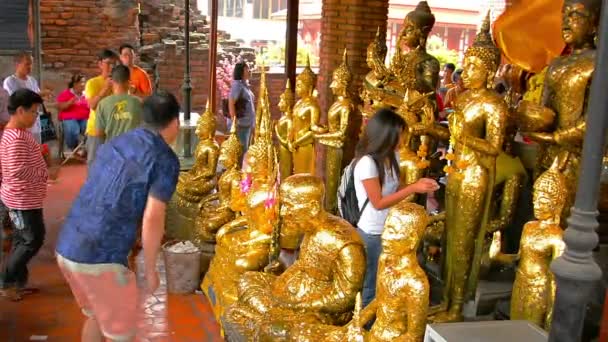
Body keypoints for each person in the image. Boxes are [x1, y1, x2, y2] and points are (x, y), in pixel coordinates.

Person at [55, 91, 181, 342]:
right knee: (121, 336)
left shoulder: (117, 142)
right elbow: (153, 218)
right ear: (175, 122)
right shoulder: (164, 158)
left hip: (68, 248)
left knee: (96, 317)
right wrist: (152, 269)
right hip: (101, 258)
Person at [354, 108, 439, 308]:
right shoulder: (367, 163)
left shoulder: (393, 156)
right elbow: (378, 202)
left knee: (386, 281)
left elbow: (395, 187)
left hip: (390, 229)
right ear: (385, 135)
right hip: (372, 232)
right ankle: (365, 329)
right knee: (371, 286)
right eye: (399, 136)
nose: (403, 141)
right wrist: (413, 187)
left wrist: (421, 184)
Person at [0, 89, 48, 301]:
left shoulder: (18, 133)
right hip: (21, 201)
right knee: (32, 240)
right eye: (34, 112)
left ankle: (18, 281)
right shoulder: (15, 137)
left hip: (26, 198)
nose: (36, 116)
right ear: (20, 111)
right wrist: (43, 172)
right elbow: (15, 170)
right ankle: (7, 282)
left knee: (23, 240)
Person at [3, 51, 50, 144]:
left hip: (35, 123)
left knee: (36, 150)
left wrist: (44, 98)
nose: (30, 67)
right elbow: (15, 101)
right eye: (27, 64)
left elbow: (36, 100)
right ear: (17, 64)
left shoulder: (32, 80)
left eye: (31, 64)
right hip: (20, 124)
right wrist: (39, 94)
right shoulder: (10, 81)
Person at [84, 49, 119, 165]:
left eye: (114, 64)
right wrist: (105, 89)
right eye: (108, 63)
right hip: (96, 130)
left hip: (115, 130)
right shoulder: (92, 83)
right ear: (100, 64)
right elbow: (92, 105)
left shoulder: (119, 84)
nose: (112, 67)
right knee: (94, 164)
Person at [95, 65, 143, 145]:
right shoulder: (138, 102)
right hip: (133, 151)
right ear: (129, 81)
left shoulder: (103, 104)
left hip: (112, 151)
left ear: (112, 81)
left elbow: (99, 133)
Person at [56, 74, 89, 154]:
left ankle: (86, 148)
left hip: (84, 118)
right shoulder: (66, 94)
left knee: (91, 129)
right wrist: (69, 103)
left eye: (84, 82)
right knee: (72, 129)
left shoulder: (87, 94)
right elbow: (59, 106)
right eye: (81, 82)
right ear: (75, 84)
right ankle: (74, 148)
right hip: (69, 117)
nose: (83, 84)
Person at [228, 62, 255, 156]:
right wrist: (234, 121)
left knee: (245, 149)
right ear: (241, 71)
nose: (249, 70)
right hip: (240, 125)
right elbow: (231, 102)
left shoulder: (244, 85)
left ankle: (241, 169)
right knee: (241, 150)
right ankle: (238, 169)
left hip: (246, 124)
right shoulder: (237, 85)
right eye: (247, 69)